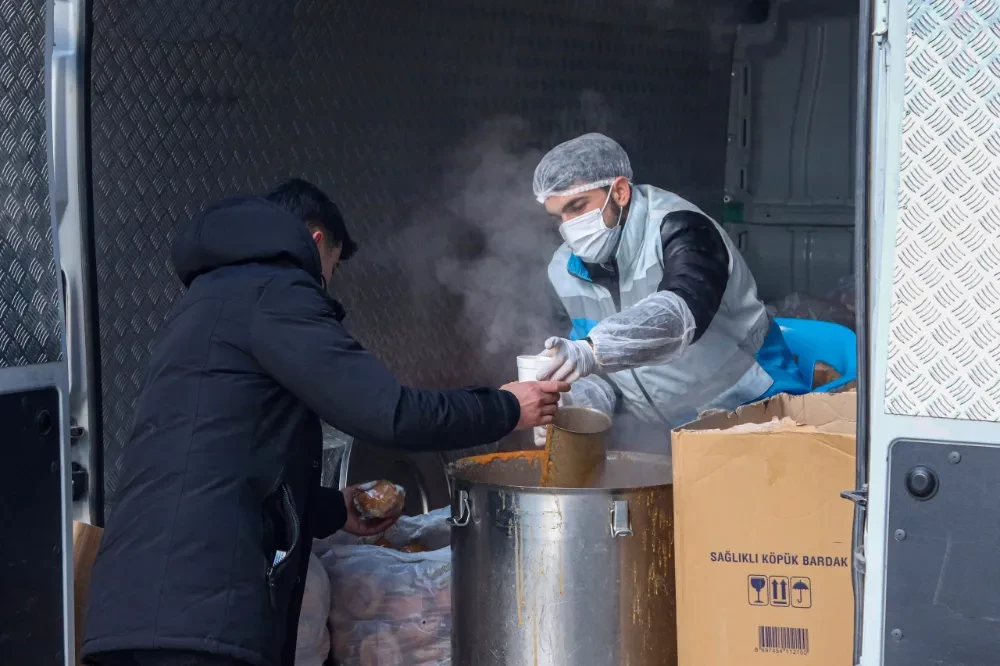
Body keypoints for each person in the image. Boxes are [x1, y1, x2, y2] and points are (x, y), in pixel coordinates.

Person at [82, 178, 568, 666]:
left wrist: (334, 510)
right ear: (316, 244)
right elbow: (389, 413)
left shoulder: (208, 303)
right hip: (198, 622)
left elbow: (225, 465)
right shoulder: (277, 291)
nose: (325, 283)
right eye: (331, 269)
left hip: (138, 612)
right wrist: (506, 407)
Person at [531, 134, 809, 447]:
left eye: (577, 206)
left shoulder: (681, 227)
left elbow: (681, 316)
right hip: (668, 435)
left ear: (620, 191)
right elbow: (600, 371)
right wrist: (576, 404)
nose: (568, 226)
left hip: (759, 408)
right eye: (559, 217)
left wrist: (593, 351)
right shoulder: (562, 270)